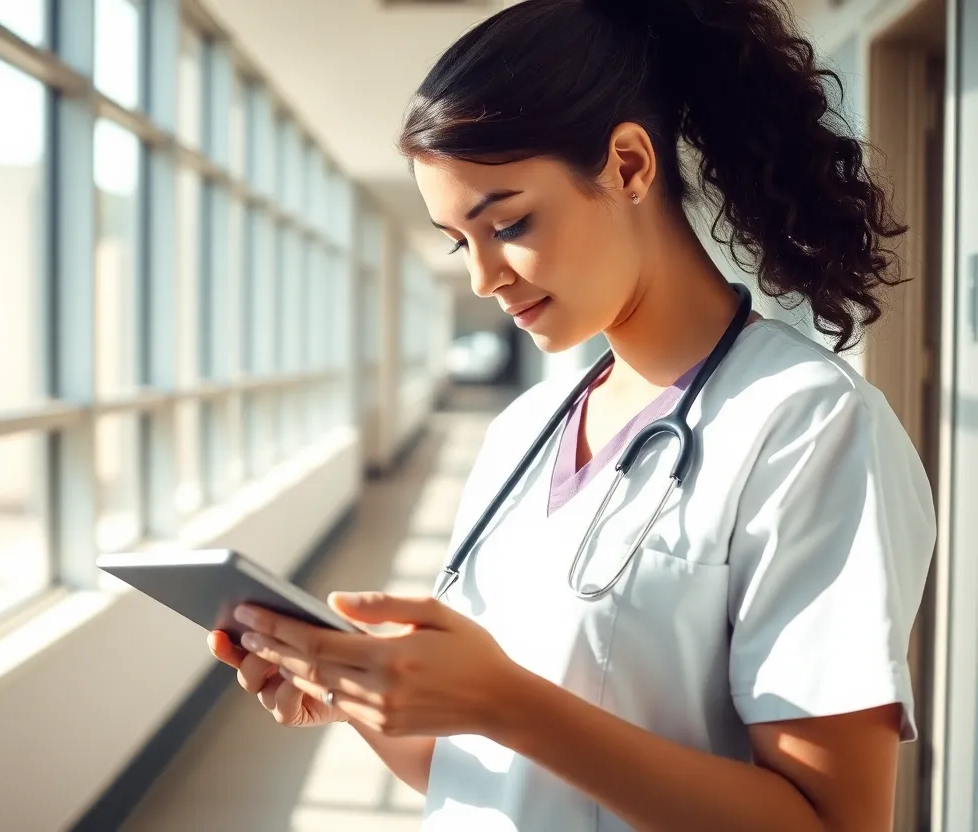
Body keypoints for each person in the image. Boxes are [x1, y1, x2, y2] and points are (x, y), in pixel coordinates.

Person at [208, 0, 937, 829]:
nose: (483, 277)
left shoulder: (807, 425)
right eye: (459, 241)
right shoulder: (524, 430)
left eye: (508, 223)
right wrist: (366, 699)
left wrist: (506, 703)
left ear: (628, 165)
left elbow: (835, 822)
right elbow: (488, 773)